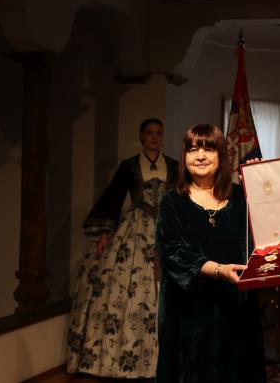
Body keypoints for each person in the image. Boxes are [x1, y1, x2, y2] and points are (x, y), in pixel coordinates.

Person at [66, 118, 178, 378]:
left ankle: (164, 357)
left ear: (162, 137)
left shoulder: (174, 166)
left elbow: (182, 196)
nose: (154, 137)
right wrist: (105, 232)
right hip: (136, 226)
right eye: (149, 133)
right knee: (127, 286)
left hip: (166, 226)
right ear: (141, 136)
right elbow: (114, 195)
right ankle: (123, 356)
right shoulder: (129, 166)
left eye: (158, 133)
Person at [155, 124, 266, 383]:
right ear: (184, 157)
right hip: (189, 314)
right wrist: (218, 270)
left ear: (222, 156)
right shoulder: (172, 201)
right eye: (193, 150)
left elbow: (263, 237)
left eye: (209, 149)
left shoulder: (241, 196)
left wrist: (261, 184)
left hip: (236, 309)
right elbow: (173, 253)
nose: (200, 156)